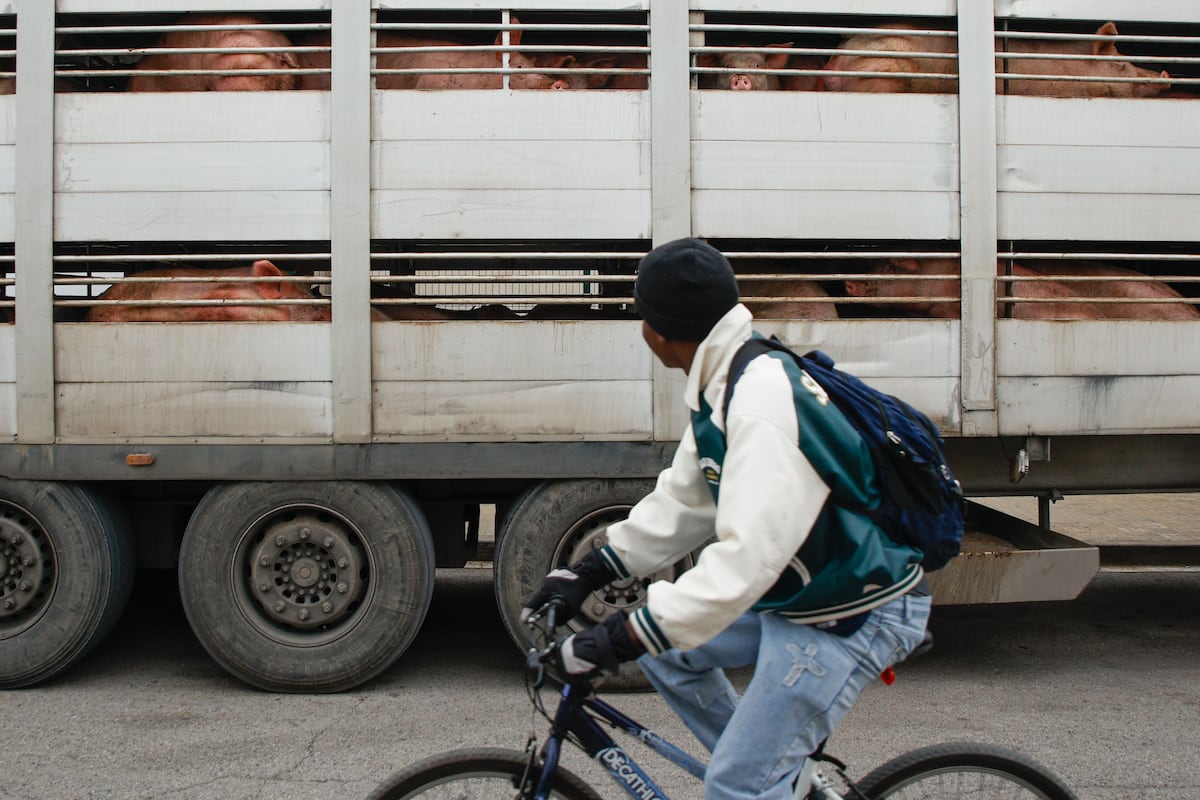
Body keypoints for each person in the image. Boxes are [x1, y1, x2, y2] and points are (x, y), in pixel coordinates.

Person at [523, 237, 932, 800]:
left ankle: (755, 778)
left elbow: (747, 558)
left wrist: (622, 634)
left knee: (734, 782)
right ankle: (779, 777)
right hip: (806, 593)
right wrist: (590, 572)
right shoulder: (728, 376)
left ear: (661, 331)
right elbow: (686, 500)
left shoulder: (759, 397)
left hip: (853, 609)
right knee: (668, 655)